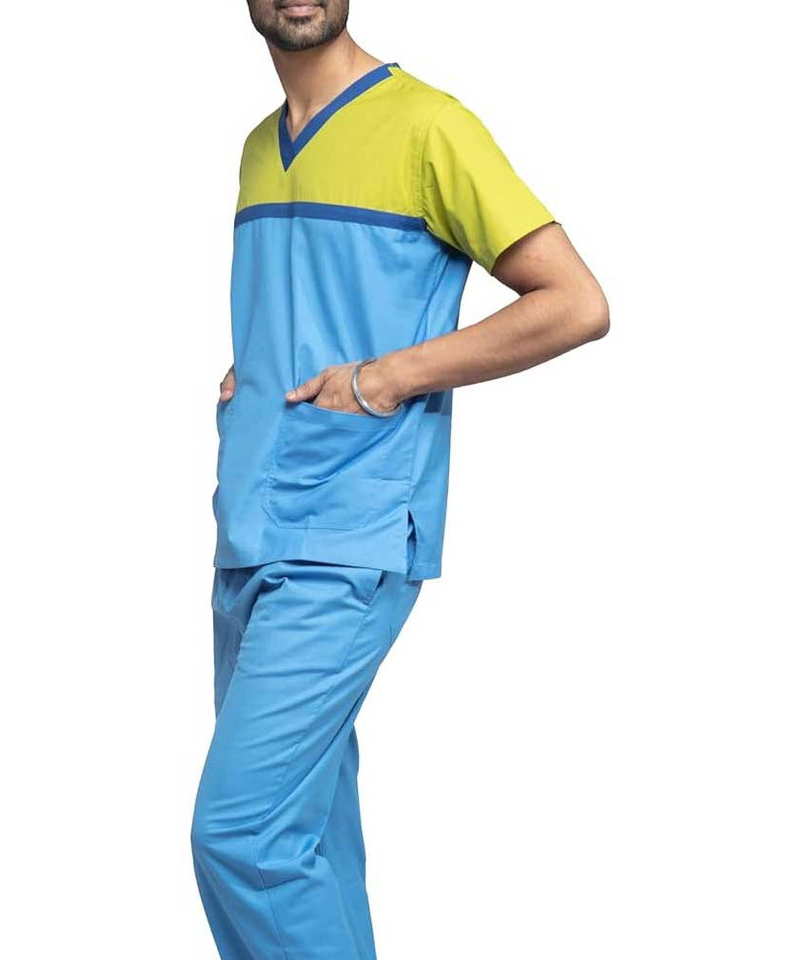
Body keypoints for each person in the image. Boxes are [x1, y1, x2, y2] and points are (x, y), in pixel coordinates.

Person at [191, 2, 609, 956]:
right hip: (250, 523)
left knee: (243, 835)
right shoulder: (259, 147)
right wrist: (252, 368)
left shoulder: (427, 126)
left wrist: (385, 378)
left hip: (350, 529)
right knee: (308, 836)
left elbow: (575, 303)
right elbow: (310, 306)